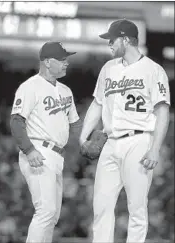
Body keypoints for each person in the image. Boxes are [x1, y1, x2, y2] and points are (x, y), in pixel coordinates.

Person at [79, 19, 170, 243]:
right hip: (110, 142)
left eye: (112, 39)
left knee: (137, 208)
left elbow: (162, 112)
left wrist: (155, 149)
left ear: (126, 40)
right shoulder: (108, 69)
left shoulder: (153, 70)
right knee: (101, 204)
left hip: (138, 141)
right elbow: (97, 103)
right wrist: (83, 135)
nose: (109, 43)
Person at [10, 41, 80, 243]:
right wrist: (29, 150)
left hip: (57, 155)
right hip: (38, 150)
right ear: (48, 62)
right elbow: (16, 121)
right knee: (46, 211)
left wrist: (87, 141)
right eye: (62, 60)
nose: (66, 63)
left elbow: (74, 124)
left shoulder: (66, 90)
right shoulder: (30, 87)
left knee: (52, 216)